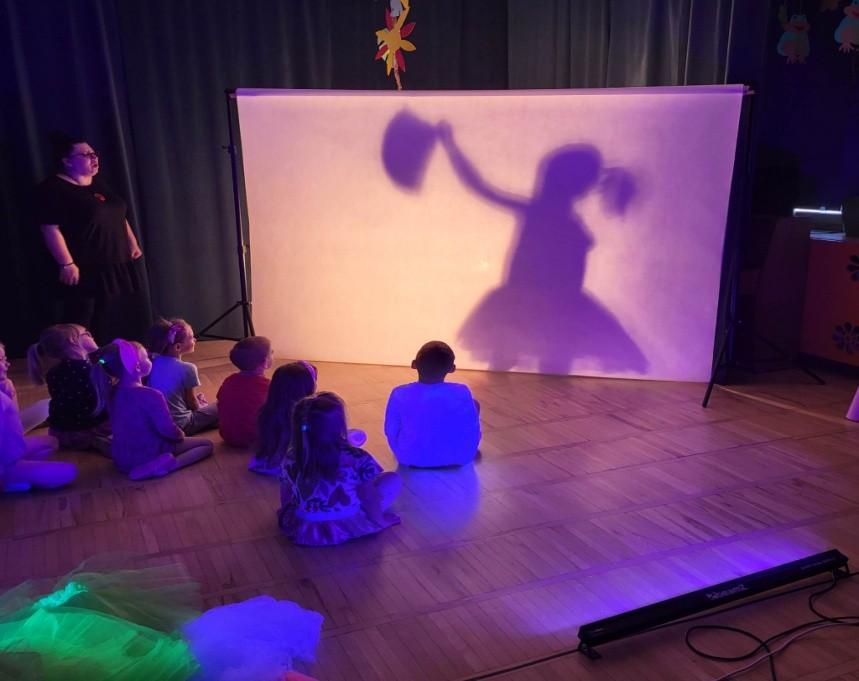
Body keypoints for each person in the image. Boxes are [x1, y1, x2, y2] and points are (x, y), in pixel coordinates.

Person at [34, 132, 146, 343]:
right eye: (86, 155)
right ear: (66, 161)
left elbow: (118, 213)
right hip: (85, 266)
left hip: (113, 261)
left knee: (108, 316)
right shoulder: (53, 189)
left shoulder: (98, 183)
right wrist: (67, 263)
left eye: (94, 153)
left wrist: (132, 242)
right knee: (81, 317)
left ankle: (100, 356)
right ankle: (74, 358)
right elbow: (50, 229)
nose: (94, 158)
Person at [278, 392, 401, 546]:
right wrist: (380, 522)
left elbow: (286, 492)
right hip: (349, 526)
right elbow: (368, 496)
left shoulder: (291, 456)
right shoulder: (357, 457)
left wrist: (287, 516)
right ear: (339, 426)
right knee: (392, 479)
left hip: (305, 529)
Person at [90, 339, 212, 480]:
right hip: (151, 452)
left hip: (121, 458)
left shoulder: (110, 393)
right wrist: (180, 435)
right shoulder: (152, 395)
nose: (150, 358)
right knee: (206, 445)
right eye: (146, 357)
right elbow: (167, 430)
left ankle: (149, 464)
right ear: (137, 367)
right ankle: (169, 465)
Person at [384, 340, 480, 467]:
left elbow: (390, 429)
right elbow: (471, 425)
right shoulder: (462, 391)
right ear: (452, 368)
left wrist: (400, 449)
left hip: (409, 457)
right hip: (460, 457)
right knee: (474, 405)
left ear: (414, 364)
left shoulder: (399, 393)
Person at [27, 324, 111, 453]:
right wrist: (106, 360)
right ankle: (93, 439)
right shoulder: (89, 370)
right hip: (83, 431)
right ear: (73, 340)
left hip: (58, 431)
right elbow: (105, 395)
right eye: (87, 334)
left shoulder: (53, 372)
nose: (92, 336)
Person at [146, 318, 218, 435]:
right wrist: (201, 408)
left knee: (200, 400)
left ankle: (210, 421)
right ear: (178, 347)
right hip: (182, 425)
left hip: (158, 424)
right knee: (220, 406)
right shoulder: (188, 368)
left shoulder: (152, 362)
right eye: (191, 337)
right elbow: (192, 403)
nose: (195, 339)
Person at [0, 389, 76, 493]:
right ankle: (13, 478)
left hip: (12, 450)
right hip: (6, 464)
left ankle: (21, 473)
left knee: (51, 442)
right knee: (70, 471)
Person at [217, 336, 273, 448]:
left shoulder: (229, 380)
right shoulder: (268, 385)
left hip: (227, 435)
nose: (272, 354)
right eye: (271, 353)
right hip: (254, 438)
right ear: (264, 362)